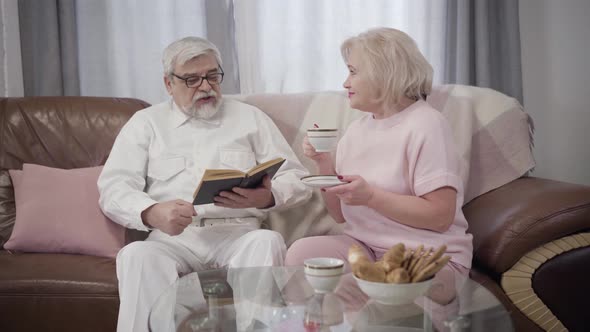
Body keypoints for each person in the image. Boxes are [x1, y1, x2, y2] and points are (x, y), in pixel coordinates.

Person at [97, 36, 312, 332]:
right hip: (173, 238)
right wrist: (151, 212)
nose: (206, 86)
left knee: (267, 241)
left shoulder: (251, 119)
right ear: (168, 83)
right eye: (192, 79)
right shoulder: (145, 123)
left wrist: (266, 197)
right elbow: (113, 188)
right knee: (137, 255)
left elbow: (297, 178)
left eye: (212, 76)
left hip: (237, 232)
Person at [285, 27, 473, 305]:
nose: (345, 83)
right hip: (366, 248)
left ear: (384, 73)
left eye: (353, 72)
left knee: (365, 291)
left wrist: (371, 196)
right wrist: (323, 164)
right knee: (302, 253)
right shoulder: (357, 131)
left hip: (424, 255)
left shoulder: (426, 124)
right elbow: (339, 215)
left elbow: (439, 216)